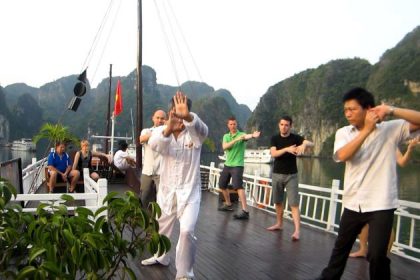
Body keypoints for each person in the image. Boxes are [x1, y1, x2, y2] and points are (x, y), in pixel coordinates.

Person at [316, 87, 420, 280]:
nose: (347, 114)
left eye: (352, 109)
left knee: (377, 255)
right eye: (345, 109)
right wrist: (366, 131)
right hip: (353, 202)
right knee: (341, 249)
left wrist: (390, 110)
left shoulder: (391, 129)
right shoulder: (344, 132)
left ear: (369, 109)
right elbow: (343, 155)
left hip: (381, 204)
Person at [141, 92, 208, 280]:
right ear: (170, 111)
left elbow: (203, 131)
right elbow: (154, 145)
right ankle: (160, 257)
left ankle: (184, 273)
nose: (177, 115)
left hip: (190, 193)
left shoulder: (194, 133)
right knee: (161, 227)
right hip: (167, 190)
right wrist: (168, 128)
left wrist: (187, 117)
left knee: (186, 231)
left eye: (182, 111)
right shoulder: (162, 131)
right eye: (175, 111)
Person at [349, 137, 419, 258]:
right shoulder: (366, 142)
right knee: (362, 220)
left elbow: (402, 162)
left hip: (383, 188)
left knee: (385, 223)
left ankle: (385, 254)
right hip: (365, 186)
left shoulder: (390, 143)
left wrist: (410, 149)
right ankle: (363, 249)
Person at [266, 116, 313, 241]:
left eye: (286, 125)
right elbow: (274, 153)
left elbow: (311, 143)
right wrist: (287, 149)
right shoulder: (274, 138)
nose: (284, 127)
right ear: (279, 125)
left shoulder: (295, 138)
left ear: (290, 126)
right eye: (282, 124)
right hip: (276, 174)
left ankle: (297, 231)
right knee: (277, 201)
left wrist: (304, 144)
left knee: (294, 204)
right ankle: (279, 224)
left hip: (291, 175)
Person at [217, 116, 261, 220]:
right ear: (228, 125)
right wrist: (236, 140)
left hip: (237, 165)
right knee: (222, 185)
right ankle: (228, 204)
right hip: (228, 164)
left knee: (238, 187)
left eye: (234, 124)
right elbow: (225, 147)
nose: (233, 126)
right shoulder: (226, 136)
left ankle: (245, 210)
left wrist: (253, 135)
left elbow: (247, 136)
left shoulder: (241, 135)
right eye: (231, 124)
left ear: (237, 125)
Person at [139, 109, 166, 208]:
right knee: (144, 197)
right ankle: (142, 219)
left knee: (161, 199)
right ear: (153, 119)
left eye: (162, 118)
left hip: (162, 173)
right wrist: (158, 132)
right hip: (147, 171)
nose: (160, 120)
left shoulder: (168, 134)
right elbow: (141, 139)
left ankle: (158, 221)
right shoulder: (147, 131)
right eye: (157, 118)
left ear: (166, 120)